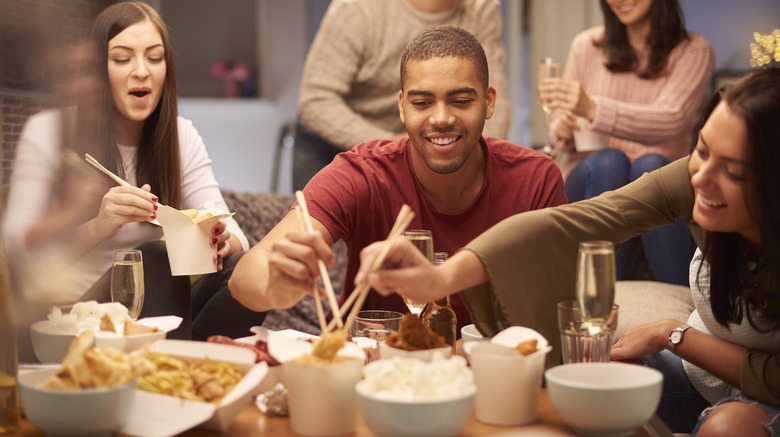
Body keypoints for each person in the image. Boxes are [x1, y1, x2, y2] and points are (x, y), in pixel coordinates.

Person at [357, 67, 780, 437]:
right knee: (583, 391)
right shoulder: (695, 181)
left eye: (733, 172)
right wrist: (442, 279)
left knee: (730, 428)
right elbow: (579, 222)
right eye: (701, 151)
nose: (702, 179)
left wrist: (674, 334)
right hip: (698, 379)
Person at [229, 25, 567, 334]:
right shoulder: (362, 173)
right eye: (422, 103)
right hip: (371, 374)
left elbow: (557, 308)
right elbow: (247, 273)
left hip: (490, 375)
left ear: (489, 102)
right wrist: (274, 283)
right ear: (403, 107)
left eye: (461, 101)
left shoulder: (535, 178)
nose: (442, 118)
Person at [2, 1, 265, 342]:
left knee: (249, 271)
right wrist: (98, 226)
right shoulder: (51, 130)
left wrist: (218, 237)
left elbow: (233, 232)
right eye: (122, 58)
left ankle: (187, 367)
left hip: (152, 317)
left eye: (154, 58)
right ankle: (175, 372)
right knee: (154, 257)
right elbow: (15, 250)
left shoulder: (180, 134)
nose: (142, 71)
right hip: (73, 318)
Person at [538, 0, 715, 286]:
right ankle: (600, 298)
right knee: (610, 160)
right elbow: (558, 124)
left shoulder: (693, 51)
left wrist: (594, 109)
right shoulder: (587, 45)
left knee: (653, 165)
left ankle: (682, 305)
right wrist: (561, 127)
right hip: (591, 172)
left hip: (658, 172)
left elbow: (672, 119)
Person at [293, 0, 511, 190]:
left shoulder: (482, 8)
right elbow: (316, 99)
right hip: (332, 146)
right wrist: (391, 145)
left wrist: (480, 154)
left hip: (417, 145)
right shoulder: (357, 9)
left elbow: (492, 96)